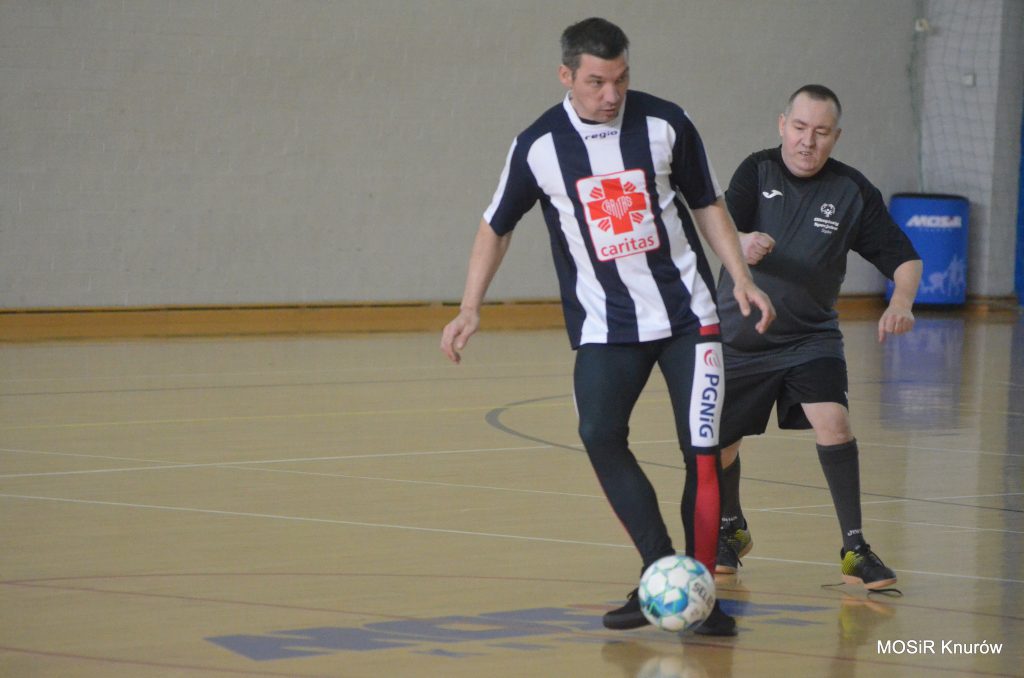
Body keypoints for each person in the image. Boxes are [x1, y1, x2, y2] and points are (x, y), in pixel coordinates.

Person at [439, 18, 775, 635]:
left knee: (702, 454)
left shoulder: (666, 123)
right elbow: (496, 224)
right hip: (606, 326)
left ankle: (703, 594)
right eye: (596, 82)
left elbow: (707, 204)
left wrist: (741, 278)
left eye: (621, 79)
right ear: (566, 76)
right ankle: (660, 573)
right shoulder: (539, 145)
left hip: (688, 318)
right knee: (598, 433)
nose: (611, 94)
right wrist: (469, 306)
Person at [714, 84, 923, 590]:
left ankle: (855, 549)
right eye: (800, 127)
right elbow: (717, 227)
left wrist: (901, 302)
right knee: (720, 446)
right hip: (742, 336)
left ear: (836, 136)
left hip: (810, 337)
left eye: (821, 132)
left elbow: (905, 257)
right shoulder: (756, 171)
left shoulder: (851, 191)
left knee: (833, 422)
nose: (808, 141)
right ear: (782, 125)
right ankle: (730, 527)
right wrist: (741, 241)